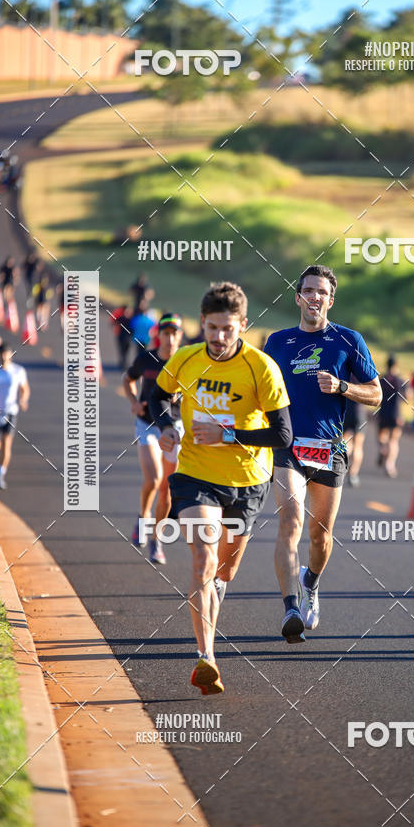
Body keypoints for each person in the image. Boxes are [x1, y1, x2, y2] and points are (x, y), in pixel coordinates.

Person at [149, 283, 291, 694]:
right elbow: (157, 395)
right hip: (195, 474)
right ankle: (206, 657)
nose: (219, 337)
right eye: (212, 328)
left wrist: (227, 435)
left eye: (228, 329)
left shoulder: (261, 368)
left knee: (224, 571)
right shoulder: (186, 359)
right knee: (203, 559)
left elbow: (283, 435)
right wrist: (169, 427)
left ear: (242, 325)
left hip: (247, 482)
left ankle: (210, 605)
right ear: (202, 323)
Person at [264, 265, 381, 643]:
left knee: (320, 537)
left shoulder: (349, 340)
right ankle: (291, 609)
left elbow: (377, 395)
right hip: (286, 447)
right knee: (291, 521)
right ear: (297, 297)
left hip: (328, 449)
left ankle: (310, 582)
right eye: (308, 290)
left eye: (322, 292)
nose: (315, 297)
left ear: (331, 300)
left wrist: (343, 386)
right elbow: (259, 392)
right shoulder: (277, 342)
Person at [123, 314, 184, 564]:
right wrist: (134, 402)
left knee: (167, 489)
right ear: (158, 335)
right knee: (154, 478)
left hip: (174, 428)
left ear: (180, 336)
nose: (170, 338)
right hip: (147, 424)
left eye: (174, 333)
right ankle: (143, 515)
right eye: (166, 333)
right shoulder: (145, 358)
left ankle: (157, 541)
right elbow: (128, 379)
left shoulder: (186, 362)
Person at [0, 343, 29, 489]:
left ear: (10, 355)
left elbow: (24, 388)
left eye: (6, 354)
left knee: (7, 444)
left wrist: (23, 399)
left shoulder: (18, 371)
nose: (3, 357)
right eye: (1, 354)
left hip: (10, 412)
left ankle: (0, 474)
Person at [377, 355, 406, 478]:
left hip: (383, 413)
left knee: (381, 437)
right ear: (396, 365)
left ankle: (383, 450)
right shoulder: (400, 381)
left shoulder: (381, 379)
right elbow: (407, 397)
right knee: (394, 441)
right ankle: (390, 465)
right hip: (396, 414)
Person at [342, 383, 366, 488]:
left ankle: (343, 467)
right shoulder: (361, 373)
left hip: (346, 410)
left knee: (344, 442)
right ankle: (353, 474)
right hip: (359, 412)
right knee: (358, 445)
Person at [111, 303, 134, 370]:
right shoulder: (121, 318)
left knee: (126, 350)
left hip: (127, 338)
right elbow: (114, 323)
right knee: (122, 351)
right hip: (121, 337)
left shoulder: (131, 319)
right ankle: (123, 363)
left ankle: (124, 362)